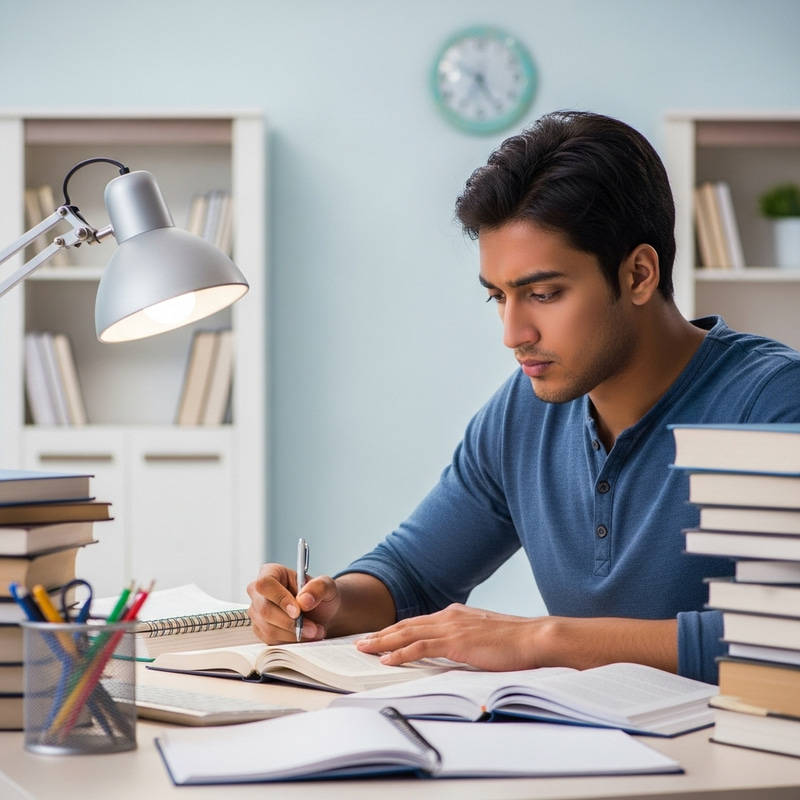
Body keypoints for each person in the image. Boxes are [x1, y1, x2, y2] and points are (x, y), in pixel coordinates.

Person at [248, 110, 800, 684]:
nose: (513, 334)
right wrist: (331, 604)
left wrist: (542, 638)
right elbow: (412, 574)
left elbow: (786, 636)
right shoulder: (525, 410)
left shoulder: (771, 406)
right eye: (498, 297)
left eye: (544, 293)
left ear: (638, 274)